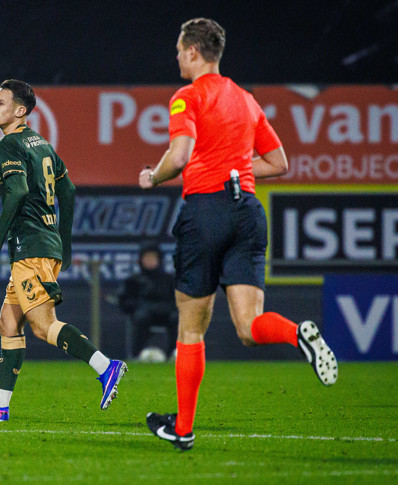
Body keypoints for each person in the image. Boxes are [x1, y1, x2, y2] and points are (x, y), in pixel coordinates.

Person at [137, 18, 338, 450]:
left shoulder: (186, 97)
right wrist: (238, 170)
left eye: (178, 50)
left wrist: (154, 176)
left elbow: (181, 154)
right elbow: (279, 161)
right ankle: (297, 332)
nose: (176, 57)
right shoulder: (245, 100)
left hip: (206, 211)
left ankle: (184, 428)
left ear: (193, 52)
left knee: (191, 329)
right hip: (247, 210)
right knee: (249, 326)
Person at [0, 79, 127, 422]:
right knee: (8, 323)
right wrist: (64, 241)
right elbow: (68, 190)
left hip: (30, 246)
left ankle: (104, 366)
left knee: (41, 325)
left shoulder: (9, 144)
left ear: (20, 111)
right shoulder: (42, 144)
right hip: (42, 243)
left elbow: (18, 192)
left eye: (1, 102)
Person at [117, 243, 178, 361]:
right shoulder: (133, 280)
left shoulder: (169, 280)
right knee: (141, 317)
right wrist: (138, 307)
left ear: (159, 260)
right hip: (143, 313)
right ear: (141, 260)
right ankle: (138, 354)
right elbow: (125, 301)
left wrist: (169, 307)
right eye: (147, 258)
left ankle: (174, 353)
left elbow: (178, 300)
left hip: (166, 312)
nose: (150, 261)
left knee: (176, 318)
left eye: (153, 258)